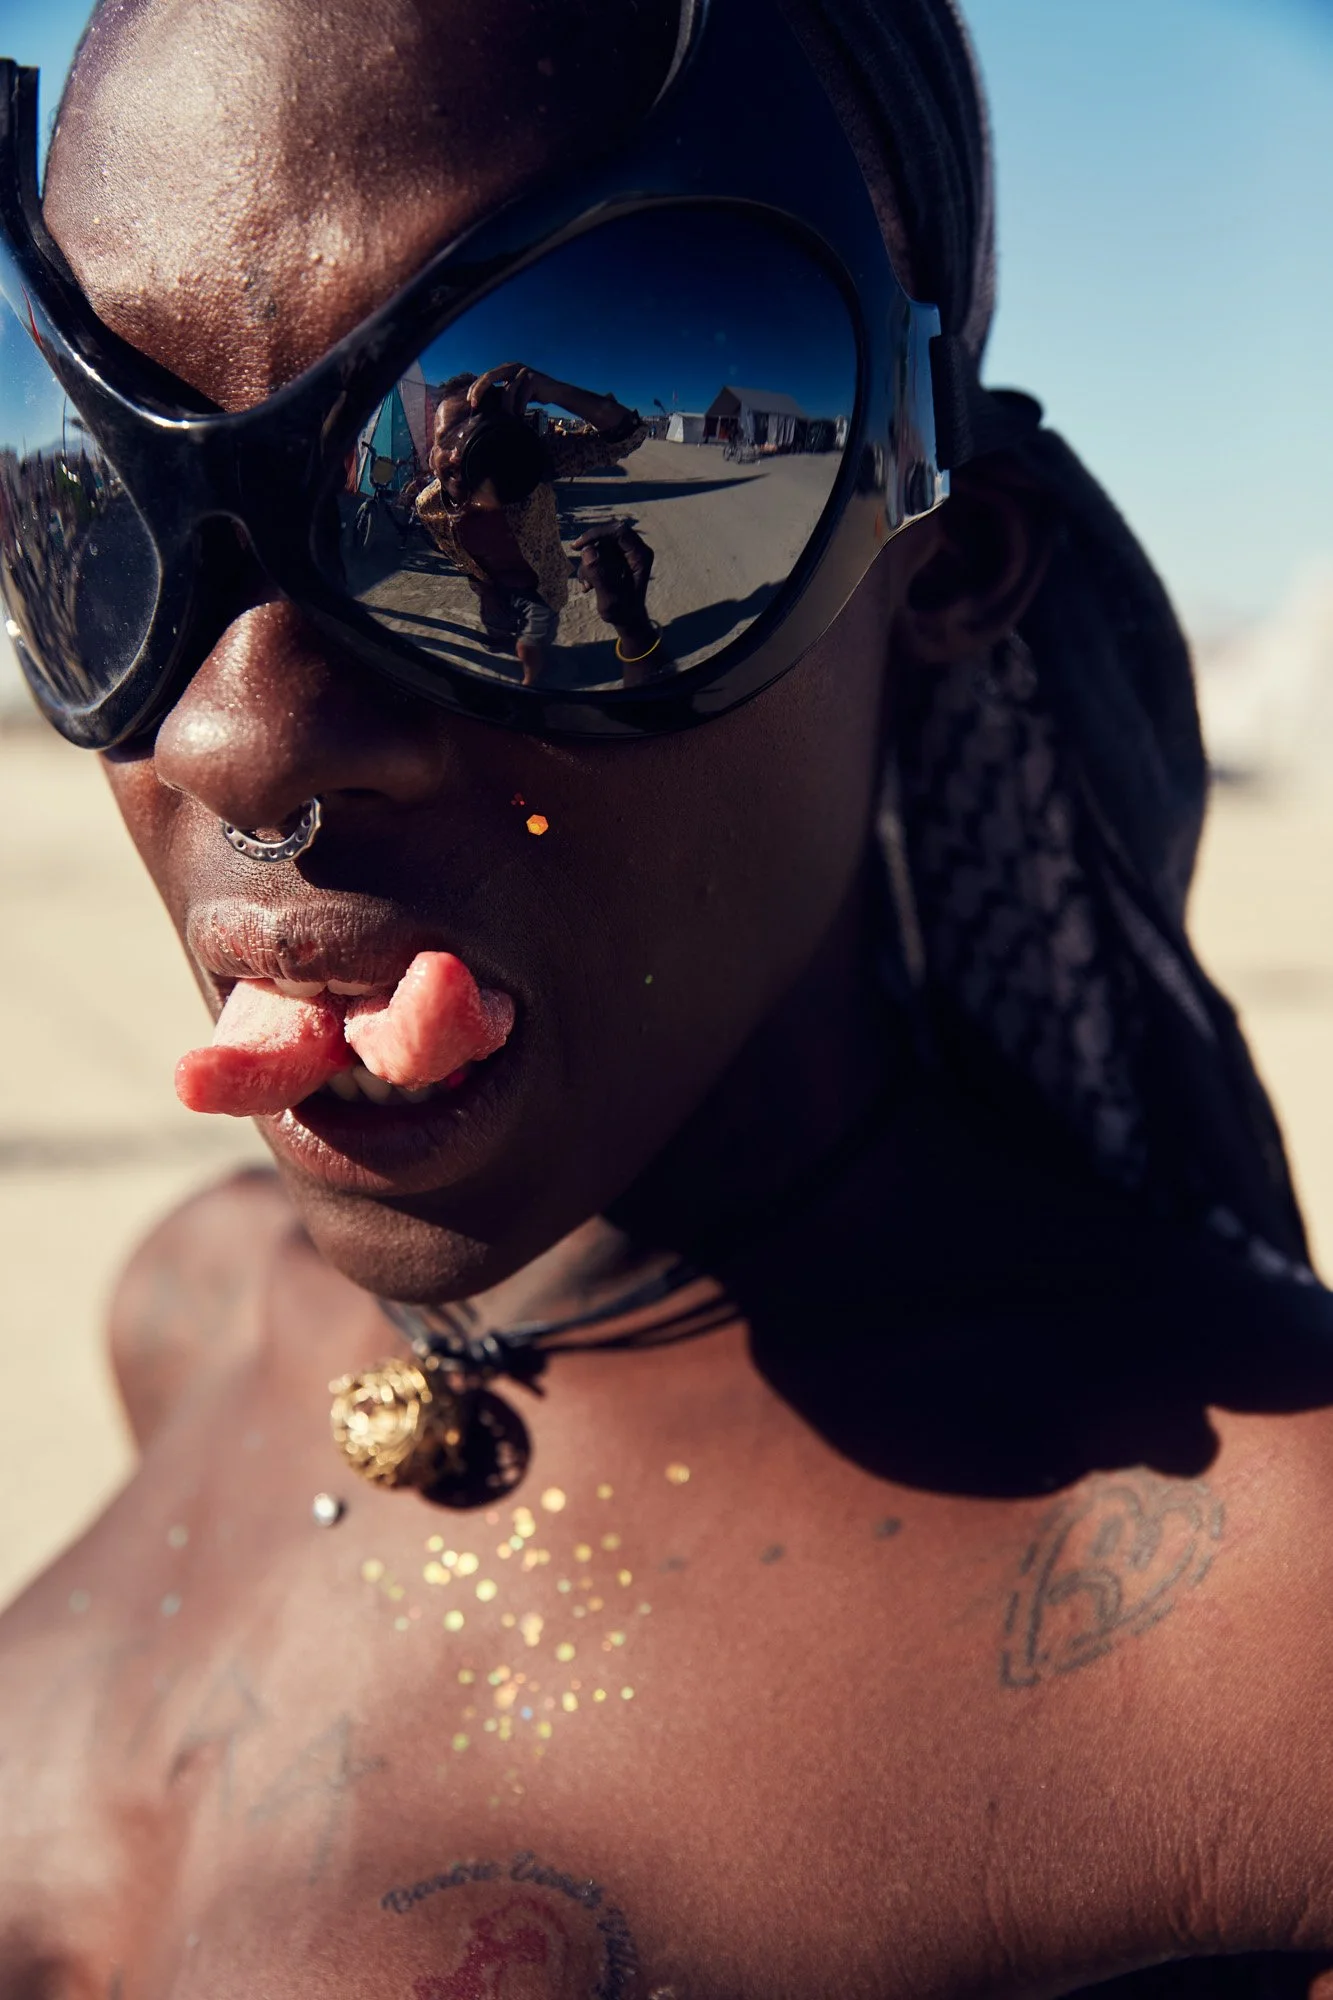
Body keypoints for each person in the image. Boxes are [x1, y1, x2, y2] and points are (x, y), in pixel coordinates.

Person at [3, 1, 1333, 1996]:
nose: (238, 735)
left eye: (585, 361)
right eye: (90, 481)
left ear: (942, 563)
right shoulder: (193, 1311)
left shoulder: (1271, 1644)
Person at [414, 364, 648, 685]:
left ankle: (530, 686)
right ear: (431, 453)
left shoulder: (531, 468)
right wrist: (483, 589)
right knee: (496, 631)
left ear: (501, 440)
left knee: (532, 648)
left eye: (474, 439)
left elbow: (628, 437)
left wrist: (556, 391)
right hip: (491, 589)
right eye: (446, 439)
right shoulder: (429, 506)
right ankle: (502, 642)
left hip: (542, 589)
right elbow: (456, 554)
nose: (456, 456)